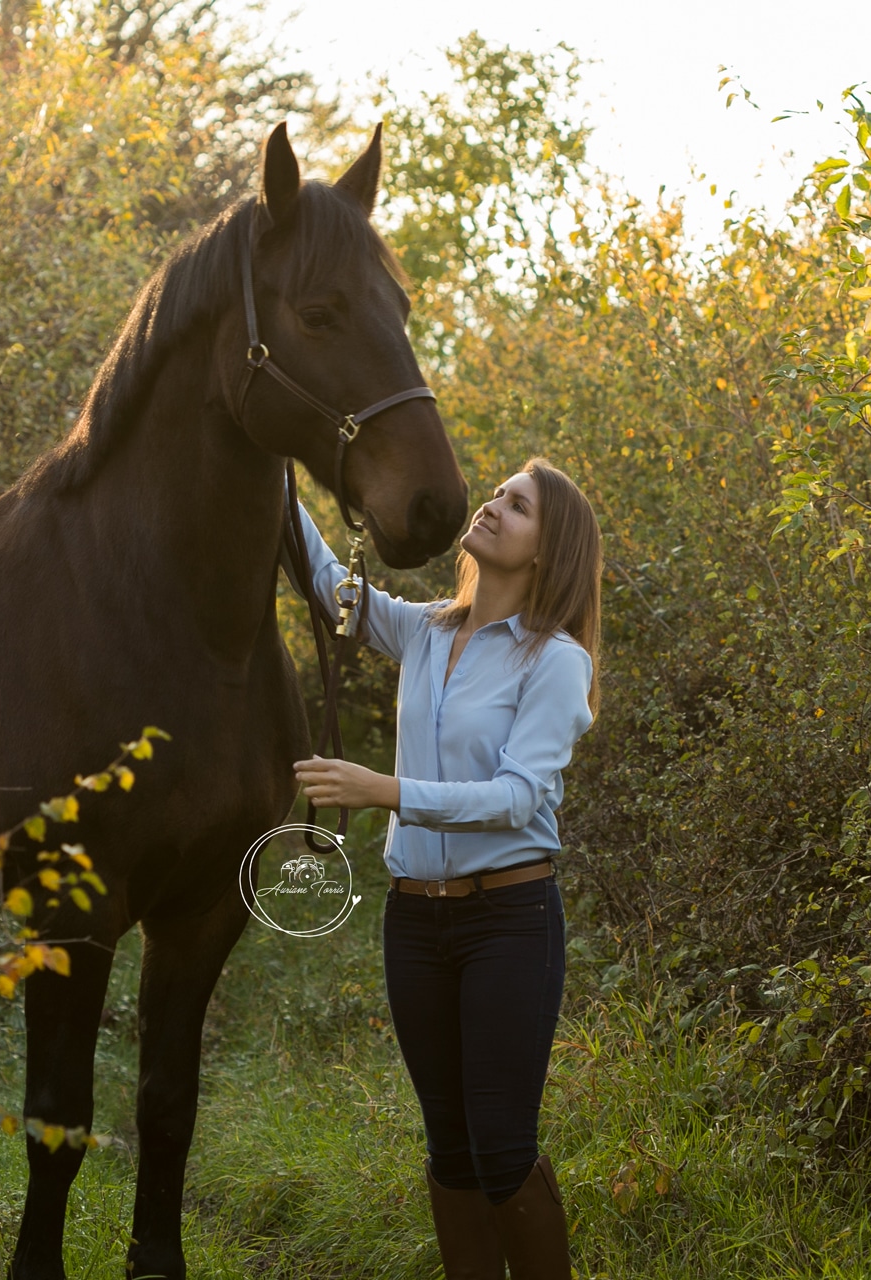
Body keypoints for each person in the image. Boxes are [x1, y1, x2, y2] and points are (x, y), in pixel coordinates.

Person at [287, 457, 602, 1280]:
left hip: (508, 920)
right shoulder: (425, 629)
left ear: (548, 549)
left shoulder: (555, 660)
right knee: (450, 1150)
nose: (494, 505)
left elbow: (515, 798)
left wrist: (381, 790)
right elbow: (329, 585)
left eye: (518, 505)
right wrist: (274, 476)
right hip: (415, 922)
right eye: (498, 493)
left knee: (501, 1148)